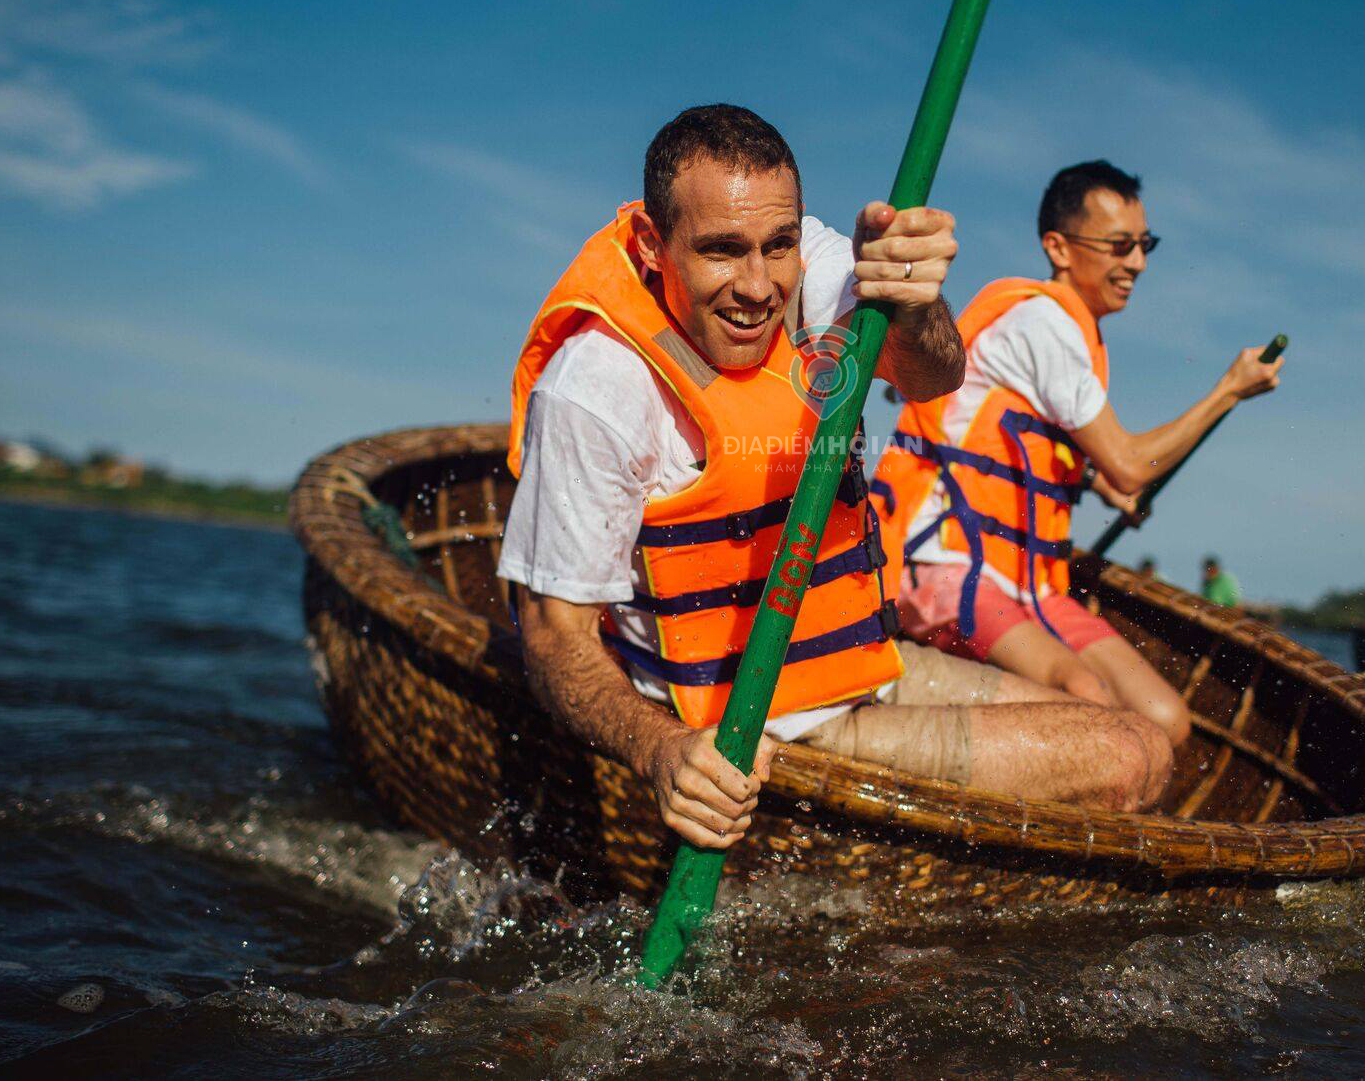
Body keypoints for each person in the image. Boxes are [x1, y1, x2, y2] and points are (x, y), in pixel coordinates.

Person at [500, 106, 1174, 853]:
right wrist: (658, 751)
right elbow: (552, 634)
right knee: (1131, 758)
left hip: (861, 664)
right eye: (722, 251)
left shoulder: (813, 261)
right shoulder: (597, 387)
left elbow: (931, 374)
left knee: (1138, 725)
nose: (758, 286)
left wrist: (913, 306)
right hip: (754, 724)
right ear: (657, 247)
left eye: (777, 246)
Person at [871, 160, 1284, 748]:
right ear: (1058, 247)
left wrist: (1092, 482)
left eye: (1145, 245)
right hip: (941, 566)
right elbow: (1129, 461)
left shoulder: (1078, 335)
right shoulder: (1044, 322)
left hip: (1030, 585)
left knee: (1166, 719)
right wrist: (1226, 392)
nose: (1137, 263)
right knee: (1087, 701)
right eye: (1120, 246)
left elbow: (1040, 448)